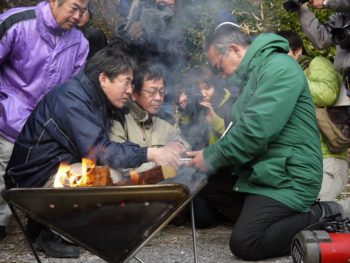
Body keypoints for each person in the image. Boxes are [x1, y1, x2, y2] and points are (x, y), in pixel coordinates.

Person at [4, 47, 182, 258]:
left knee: (114, 176)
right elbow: (100, 151)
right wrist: (150, 153)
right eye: (126, 82)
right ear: (104, 78)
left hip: (54, 171)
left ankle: (45, 223)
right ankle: (52, 232)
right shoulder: (72, 100)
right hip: (32, 179)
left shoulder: (96, 99)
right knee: (109, 177)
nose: (129, 90)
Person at [187, 25, 344, 260]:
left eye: (218, 65)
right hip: (266, 171)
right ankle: (263, 218)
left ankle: (324, 214)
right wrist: (206, 154)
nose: (219, 72)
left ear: (234, 50)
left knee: (246, 243)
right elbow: (237, 131)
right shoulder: (253, 76)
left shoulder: (279, 68)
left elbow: (255, 132)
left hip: (290, 177)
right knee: (203, 180)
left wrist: (210, 156)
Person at [0, 0, 90, 241]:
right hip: (7, 118)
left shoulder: (79, 43)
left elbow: (72, 92)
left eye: (83, 10)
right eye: (74, 7)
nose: (78, 16)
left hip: (45, 129)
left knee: (55, 174)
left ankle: (42, 228)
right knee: (3, 174)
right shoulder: (17, 22)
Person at [276, 30, 349, 202]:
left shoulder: (317, 63)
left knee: (316, 211)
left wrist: (289, 77)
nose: (278, 60)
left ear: (298, 50)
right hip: (301, 161)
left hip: (327, 159)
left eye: (282, 53)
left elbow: (327, 94)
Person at [109, 60, 190, 173]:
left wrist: (179, 146)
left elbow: (184, 144)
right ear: (134, 93)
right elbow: (117, 161)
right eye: (152, 91)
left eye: (161, 92)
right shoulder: (120, 118)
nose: (158, 98)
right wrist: (157, 164)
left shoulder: (167, 120)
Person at [111, 0, 189, 115]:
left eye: (170, 6)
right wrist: (128, 38)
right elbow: (112, 55)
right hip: (132, 94)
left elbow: (182, 59)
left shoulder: (175, 33)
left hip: (162, 97)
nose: (166, 10)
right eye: (162, 5)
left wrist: (163, 45)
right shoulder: (136, 22)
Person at [176, 65, 234, 150]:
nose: (203, 94)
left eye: (207, 88)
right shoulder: (196, 104)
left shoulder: (230, 102)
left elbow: (238, 138)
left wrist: (215, 120)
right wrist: (183, 110)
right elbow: (187, 136)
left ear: (215, 85)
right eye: (198, 90)